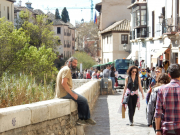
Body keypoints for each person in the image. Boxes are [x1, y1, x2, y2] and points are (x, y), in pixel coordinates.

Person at [55, 57, 96, 125]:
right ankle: (85, 118)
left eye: (76, 63)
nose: (75, 65)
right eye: (74, 63)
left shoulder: (64, 68)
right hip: (64, 93)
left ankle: (83, 118)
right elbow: (63, 83)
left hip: (61, 93)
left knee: (80, 100)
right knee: (84, 100)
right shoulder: (67, 70)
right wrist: (72, 94)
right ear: (69, 62)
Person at [155, 64, 180, 135]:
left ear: (169, 75)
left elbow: (158, 111)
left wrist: (157, 130)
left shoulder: (162, 89)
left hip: (168, 128)